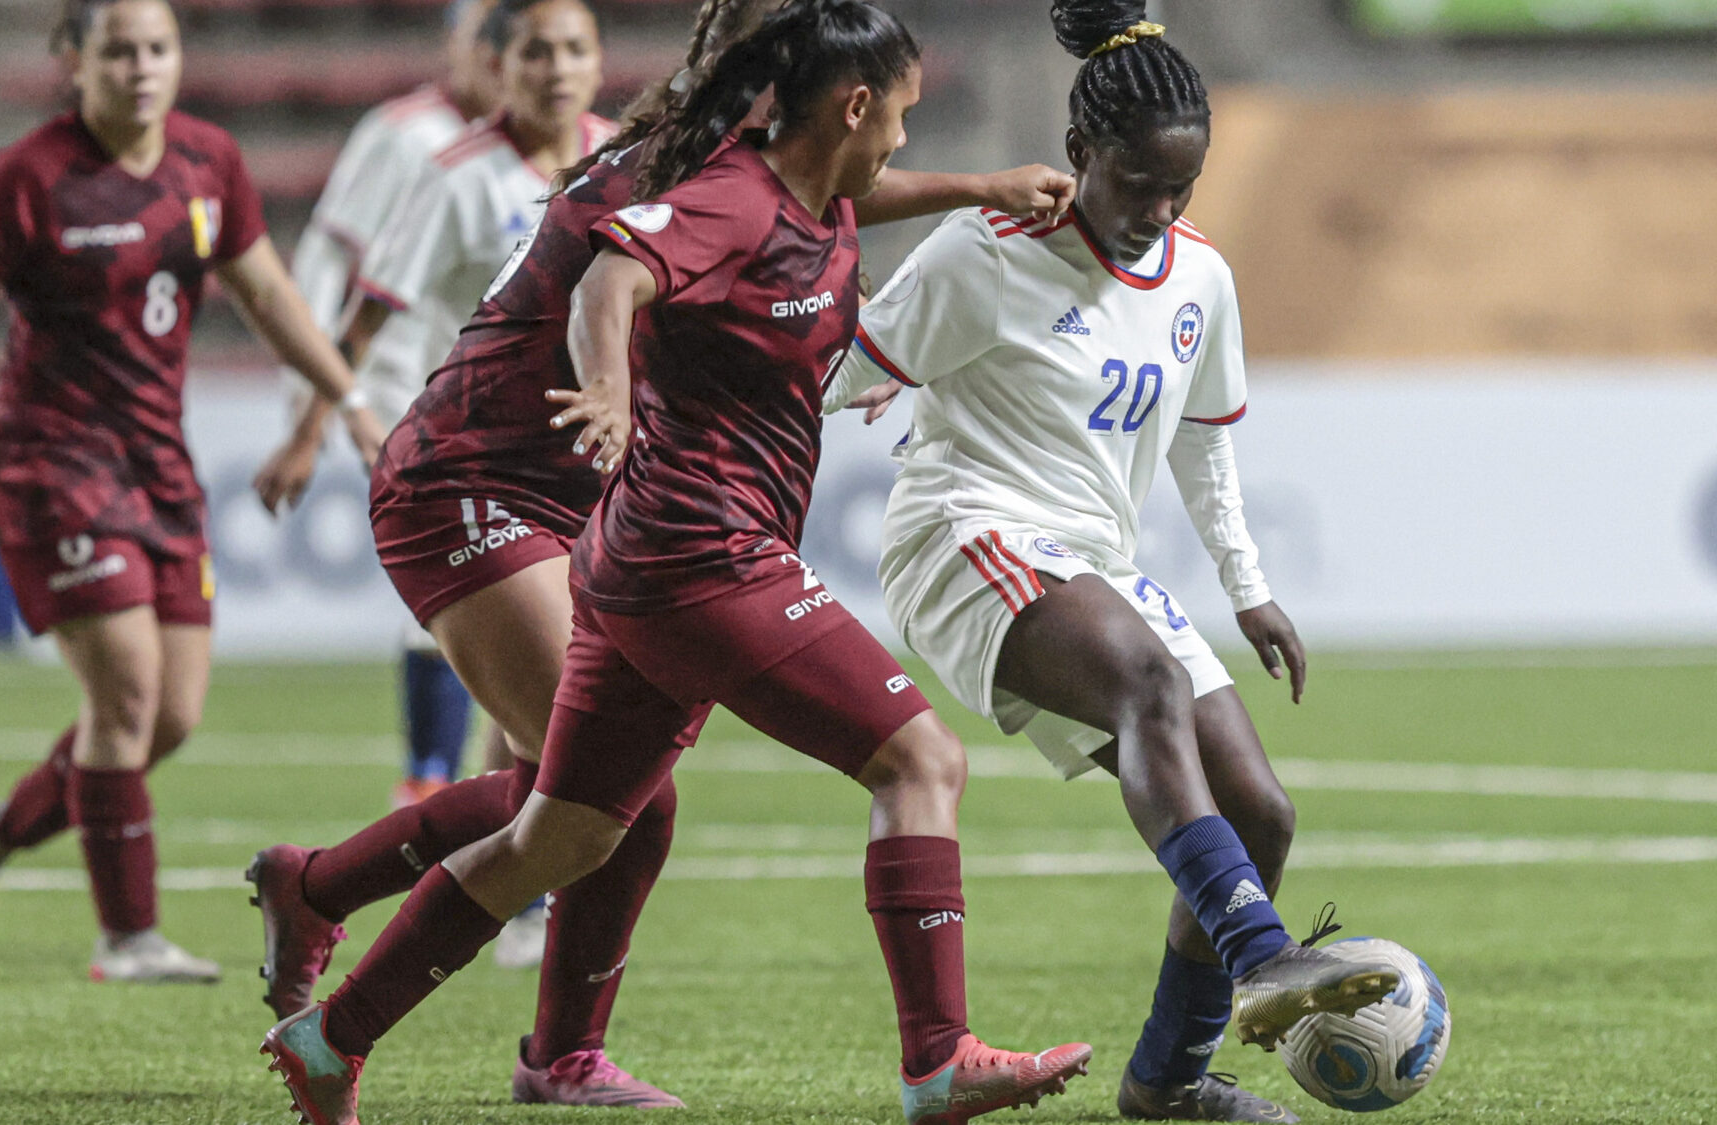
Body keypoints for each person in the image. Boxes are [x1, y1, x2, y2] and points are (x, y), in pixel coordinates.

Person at [256, 5, 1100, 1123]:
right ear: (827, 96)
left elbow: (834, 196)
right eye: (892, 113)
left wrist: (978, 186)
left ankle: (334, 1026)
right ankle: (935, 1058)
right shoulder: (708, 182)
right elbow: (619, 276)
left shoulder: (766, 174)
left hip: (613, 525)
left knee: (572, 825)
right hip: (611, 519)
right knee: (917, 761)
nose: (899, 137)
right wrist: (604, 384)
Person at [823, 2, 1401, 1119]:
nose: (1157, 211)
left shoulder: (1198, 278)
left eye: (1177, 189)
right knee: (1143, 680)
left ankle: (1168, 1082)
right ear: (1079, 153)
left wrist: (1246, 587)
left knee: (1259, 814)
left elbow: (1200, 437)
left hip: (1085, 554)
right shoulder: (984, 255)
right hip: (963, 530)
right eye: (1136, 184)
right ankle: (1260, 957)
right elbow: (840, 365)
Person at [0, 0, 386, 982]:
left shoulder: (208, 161)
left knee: (166, 717)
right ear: (72, 61)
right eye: (119, 49)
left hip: (157, 461)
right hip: (52, 461)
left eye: (158, 48)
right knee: (125, 695)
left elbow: (265, 293)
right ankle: (126, 935)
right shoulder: (27, 178)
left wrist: (343, 398)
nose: (141, 67)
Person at [258, 0, 503, 815]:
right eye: (490, 40)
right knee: (465, 580)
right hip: (403, 392)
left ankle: (470, 795)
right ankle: (430, 781)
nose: (510, 59)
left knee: (514, 601)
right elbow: (333, 266)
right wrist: (325, 400)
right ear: (456, 47)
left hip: (506, 405)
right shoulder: (403, 136)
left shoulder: (559, 149)